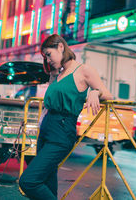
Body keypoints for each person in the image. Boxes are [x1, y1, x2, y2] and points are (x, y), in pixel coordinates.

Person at [19, 34, 113, 200]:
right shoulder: (57, 74)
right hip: (46, 131)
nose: (47, 60)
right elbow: (50, 103)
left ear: (61, 47)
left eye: (49, 54)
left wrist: (95, 92)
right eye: (45, 57)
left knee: (28, 181)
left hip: (61, 133)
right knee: (47, 183)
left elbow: (109, 95)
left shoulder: (83, 70)